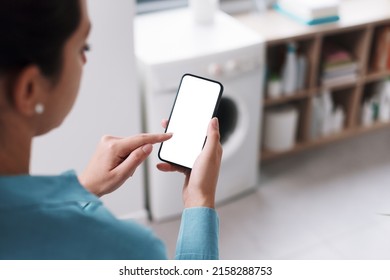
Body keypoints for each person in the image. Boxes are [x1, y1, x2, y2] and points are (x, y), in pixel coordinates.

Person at [0, 0, 222, 260]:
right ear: (30, 89)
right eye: (84, 47)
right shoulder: (124, 251)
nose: (84, 60)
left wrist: (83, 190)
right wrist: (200, 200)